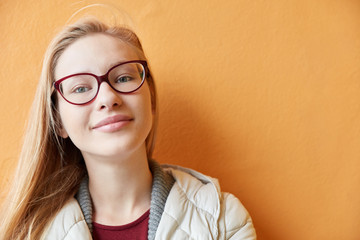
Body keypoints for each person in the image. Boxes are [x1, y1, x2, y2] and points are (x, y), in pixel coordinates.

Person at [0, 18, 256, 240]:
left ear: (151, 97)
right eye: (81, 88)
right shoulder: (27, 232)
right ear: (57, 121)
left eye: (123, 78)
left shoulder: (222, 219)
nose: (107, 98)